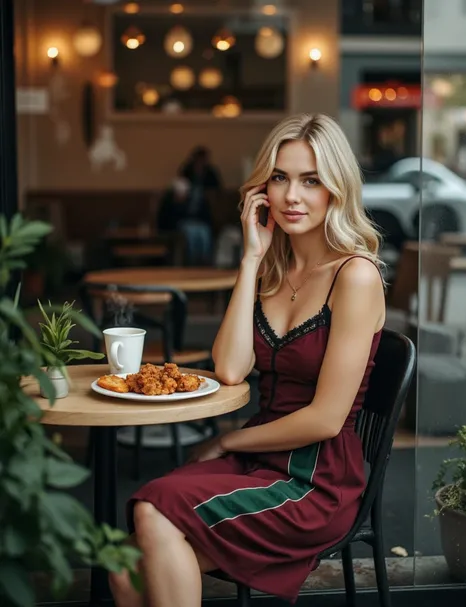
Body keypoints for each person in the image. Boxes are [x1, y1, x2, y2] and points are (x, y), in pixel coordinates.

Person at [109, 113, 386, 606]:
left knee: (153, 509)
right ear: (263, 187)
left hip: (314, 482)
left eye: (311, 180)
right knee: (126, 566)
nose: (291, 196)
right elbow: (231, 370)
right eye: (280, 178)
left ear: (336, 190)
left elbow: (325, 419)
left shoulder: (355, 276)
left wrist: (226, 440)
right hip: (260, 462)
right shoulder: (274, 271)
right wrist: (251, 258)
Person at [157, 177, 213, 265]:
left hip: (195, 224)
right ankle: (191, 261)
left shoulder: (192, 201)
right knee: (190, 232)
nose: (182, 195)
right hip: (177, 227)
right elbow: (166, 221)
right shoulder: (168, 202)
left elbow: (204, 216)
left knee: (204, 231)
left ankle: (205, 260)